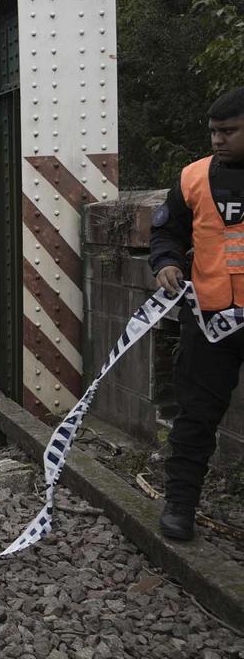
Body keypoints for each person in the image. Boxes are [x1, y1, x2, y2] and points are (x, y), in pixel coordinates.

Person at [150, 85, 244, 541]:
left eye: (228, 131)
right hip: (209, 324)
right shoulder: (192, 178)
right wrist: (166, 262)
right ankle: (180, 506)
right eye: (212, 132)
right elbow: (168, 232)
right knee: (195, 419)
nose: (217, 140)